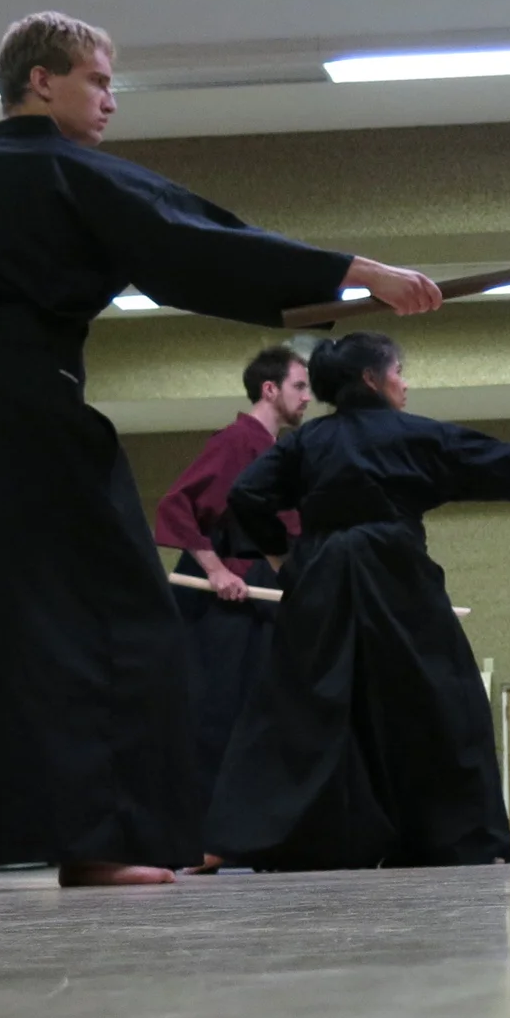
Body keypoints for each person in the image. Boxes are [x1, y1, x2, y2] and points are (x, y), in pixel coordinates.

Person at [0, 13, 443, 897]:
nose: (110, 99)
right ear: (41, 81)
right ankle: (93, 843)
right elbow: (204, 242)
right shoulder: (75, 174)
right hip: (30, 414)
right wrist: (360, 269)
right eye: (98, 80)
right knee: (110, 619)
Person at [209, 333, 510, 869]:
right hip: (393, 574)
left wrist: (283, 557)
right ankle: (444, 838)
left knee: (313, 706)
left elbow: (246, 495)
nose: (405, 382)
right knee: (439, 698)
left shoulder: (308, 442)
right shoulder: (411, 435)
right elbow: (492, 459)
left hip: (318, 578)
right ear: (371, 379)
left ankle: (312, 841)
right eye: (398, 371)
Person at [154, 345, 313, 831]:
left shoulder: (278, 453)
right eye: (300, 386)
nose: (308, 397)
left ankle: (244, 831)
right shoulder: (236, 441)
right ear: (271, 389)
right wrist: (215, 571)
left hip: (265, 596)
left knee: (263, 714)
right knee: (216, 714)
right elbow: (178, 506)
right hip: (224, 602)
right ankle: (201, 833)